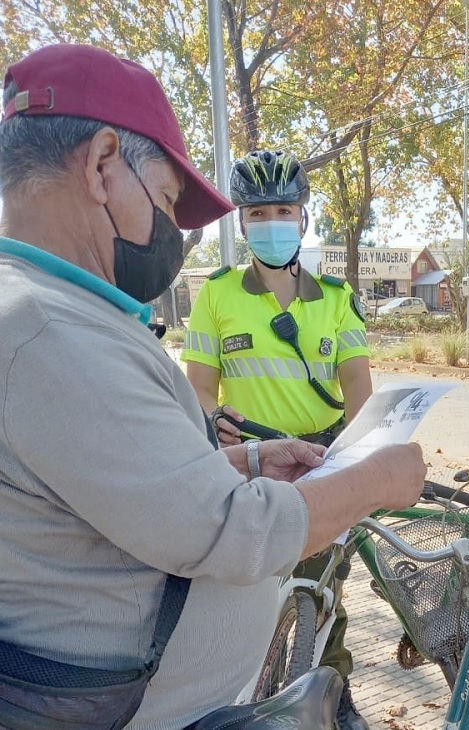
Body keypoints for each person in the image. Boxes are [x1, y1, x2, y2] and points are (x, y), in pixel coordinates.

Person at [0, 43, 427, 730]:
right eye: (167, 199)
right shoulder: (43, 331)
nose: (172, 232)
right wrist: (378, 480)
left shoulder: (55, 313)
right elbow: (235, 534)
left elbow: (115, 483)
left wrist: (246, 463)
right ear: (103, 163)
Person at [182, 149, 373, 730]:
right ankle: (250, 704)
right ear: (241, 223)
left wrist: (366, 467)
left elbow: (360, 397)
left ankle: (332, 699)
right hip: (252, 469)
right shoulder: (216, 295)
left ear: (304, 218)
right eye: (258, 213)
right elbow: (199, 392)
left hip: (320, 464)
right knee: (250, 598)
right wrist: (219, 423)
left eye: (283, 210)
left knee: (319, 596)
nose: (271, 223)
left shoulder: (337, 299)